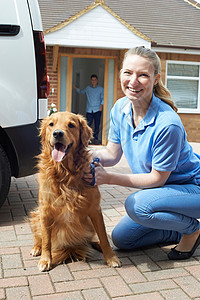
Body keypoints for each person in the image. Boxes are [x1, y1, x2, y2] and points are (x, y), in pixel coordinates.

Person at [84, 46, 200, 260]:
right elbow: (112, 153)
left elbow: (157, 179)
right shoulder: (120, 108)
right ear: (121, 73)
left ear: (156, 79)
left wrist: (108, 178)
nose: (133, 81)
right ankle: (176, 228)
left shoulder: (168, 124)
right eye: (128, 73)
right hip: (166, 192)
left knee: (137, 205)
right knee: (123, 239)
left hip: (193, 189)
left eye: (143, 75)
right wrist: (83, 156)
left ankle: (192, 230)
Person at [74, 74, 104, 144]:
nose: (93, 81)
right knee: (88, 125)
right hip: (89, 109)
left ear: (97, 81)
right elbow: (81, 92)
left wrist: (101, 107)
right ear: (91, 81)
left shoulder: (101, 89)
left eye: (95, 80)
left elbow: (103, 98)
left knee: (97, 125)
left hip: (97, 109)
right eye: (92, 80)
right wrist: (75, 88)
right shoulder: (88, 88)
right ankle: (88, 139)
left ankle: (95, 139)